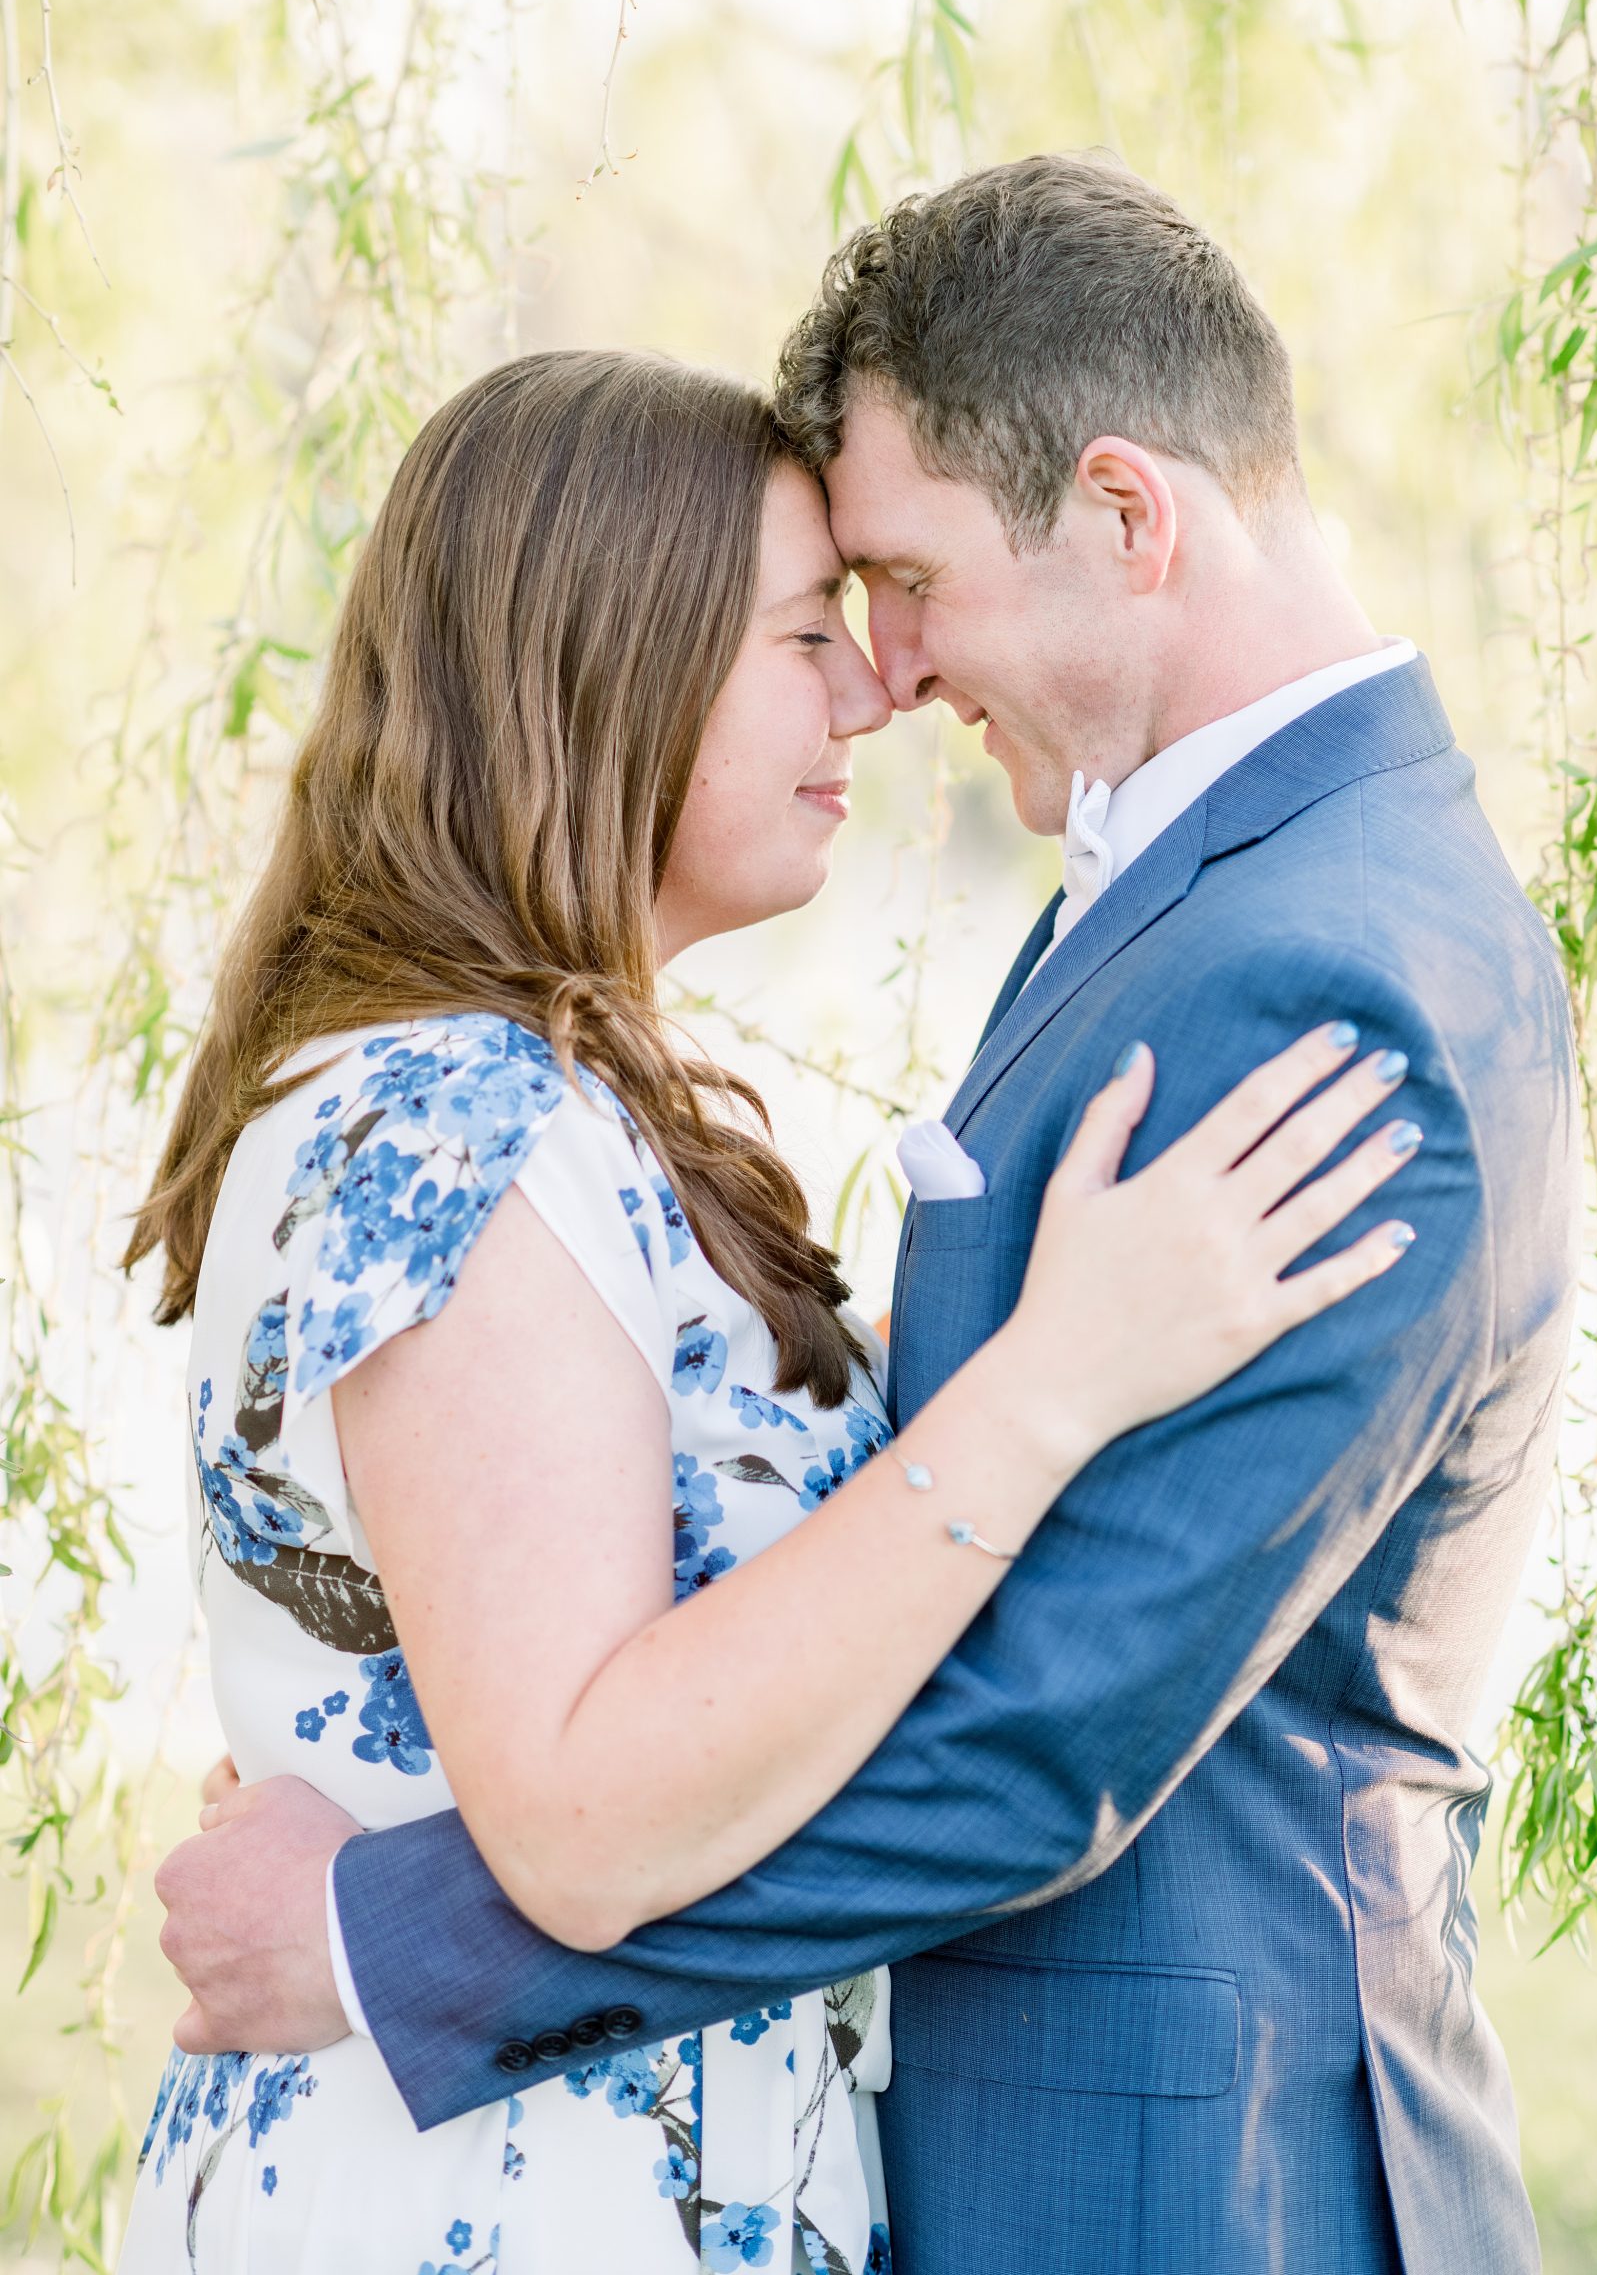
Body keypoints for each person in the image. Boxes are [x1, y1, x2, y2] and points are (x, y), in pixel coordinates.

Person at [118, 337, 1417, 2275]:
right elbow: (574, 1804)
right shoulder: (456, 1115)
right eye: (805, 630)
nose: (875, 685)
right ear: (603, 665)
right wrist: (1048, 1381)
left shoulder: (550, 1098)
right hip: (484, 2204)